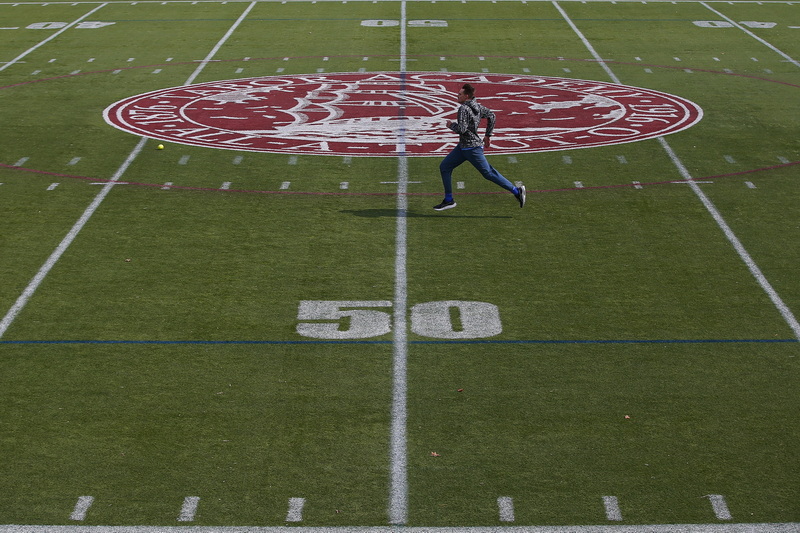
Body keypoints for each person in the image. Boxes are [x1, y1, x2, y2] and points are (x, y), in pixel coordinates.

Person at [434, 83, 526, 211]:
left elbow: (462, 129)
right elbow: (492, 115)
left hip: (471, 149)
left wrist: (451, 125)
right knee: (445, 166)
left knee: (488, 173)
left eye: (460, 94)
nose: (457, 95)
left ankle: (517, 191)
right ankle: (449, 200)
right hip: (463, 147)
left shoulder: (463, 109)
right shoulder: (477, 106)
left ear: (466, 96)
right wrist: (488, 135)